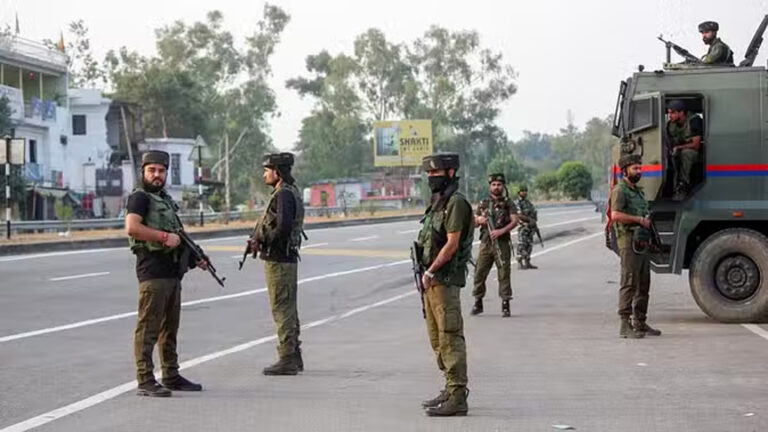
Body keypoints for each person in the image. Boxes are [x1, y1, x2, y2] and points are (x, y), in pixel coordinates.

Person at [125, 150, 205, 397]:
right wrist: (161, 237)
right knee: (148, 328)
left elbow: (178, 235)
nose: (157, 175)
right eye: (152, 170)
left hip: (172, 272)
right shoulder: (140, 198)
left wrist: (196, 256)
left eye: (161, 171)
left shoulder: (165, 200)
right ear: (143, 172)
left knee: (170, 328)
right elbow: (132, 227)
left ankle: (171, 374)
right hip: (153, 271)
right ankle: (145, 380)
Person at [416, 153, 474, 416]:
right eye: (428, 174)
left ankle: (458, 395)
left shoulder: (456, 204)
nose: (431, 178)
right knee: (437, 338)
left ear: (450, 173)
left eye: (435, 173)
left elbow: (451, 244)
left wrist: (430, 270)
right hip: (432, 281)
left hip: (444, 279)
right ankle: (450, 388)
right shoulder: (438, 203)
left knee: (450, 337)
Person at [248, 152, 306, 375]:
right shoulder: (287, 193)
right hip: (284, 258)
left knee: (282, 309)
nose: (264, 174)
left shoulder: (283, 195)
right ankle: (294, 356)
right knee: (287, 307)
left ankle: (287, 358)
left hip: (280, 260)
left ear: (277, 172)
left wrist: (261, 239)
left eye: (267, 170)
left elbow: (281, 228)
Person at [610, 154, 663, 339]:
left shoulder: (638, 191)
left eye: (640, 168)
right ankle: (625, 325)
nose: (639, 171)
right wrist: (639, 220)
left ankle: (639, 322)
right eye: (635, 168)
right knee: (629, 282)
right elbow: (615, 215)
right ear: (625, 171)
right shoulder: (620, 191)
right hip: (628, 241)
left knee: (643, 284)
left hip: (642, 242)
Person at [471, 173, 518, 318]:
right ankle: (478, 302)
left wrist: (501, 231)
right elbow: (473, 222)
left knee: (504, 273)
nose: (496, 187)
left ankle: (505, 304)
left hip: (502, 242)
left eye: (499, 185)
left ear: (503, 186)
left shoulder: (508, 203)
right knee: (479, 272)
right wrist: (480, 220)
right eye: (494, 185)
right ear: (490, 186)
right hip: (486, 242)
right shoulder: (483, 203)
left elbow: (514, 221)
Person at [666, 99, 703, 199]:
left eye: (673, 113)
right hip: (678, 151)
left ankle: (683, 184)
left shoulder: (694, 120)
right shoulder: (670, 125)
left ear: (682, 113)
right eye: (669, 113)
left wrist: (678, 147)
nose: (670, 116)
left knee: (686, 153)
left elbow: (696, 145)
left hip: (696, 154)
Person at [515, 185, 538, 270]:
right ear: (519, 192)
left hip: (530, 227)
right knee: (521, 245)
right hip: (523, 227)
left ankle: (527, 262)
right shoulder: (518, 202)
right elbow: (519, 215)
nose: (524, 192)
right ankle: (520, 263)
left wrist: (534, 221)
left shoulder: (528, 202)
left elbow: (533, 212)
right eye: (522, 191)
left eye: (525, 190)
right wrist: (529, 220)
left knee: (529, 245)